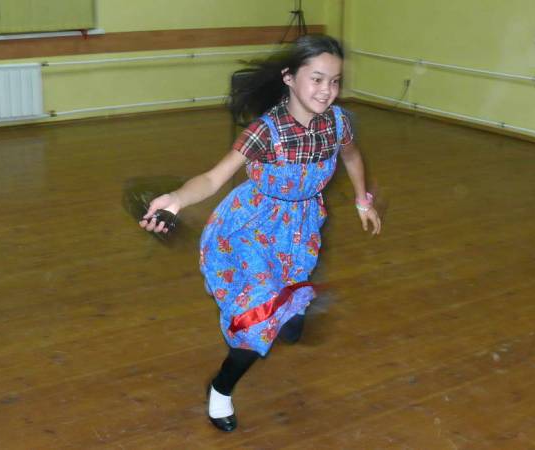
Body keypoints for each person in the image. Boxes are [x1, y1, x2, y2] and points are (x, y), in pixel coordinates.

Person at [140, 34, 381, 432]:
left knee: (290, 327)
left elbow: (352, 157)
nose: (327, 90)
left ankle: (281, 314)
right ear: (289, 77)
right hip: (251, 228)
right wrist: (176, 199)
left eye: (335, 81)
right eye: (317, 79)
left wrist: (362, 200)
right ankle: (221, 388)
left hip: (300, 232)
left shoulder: (337, 123)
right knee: (259, 322)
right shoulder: (266, 131)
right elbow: (212, 178)